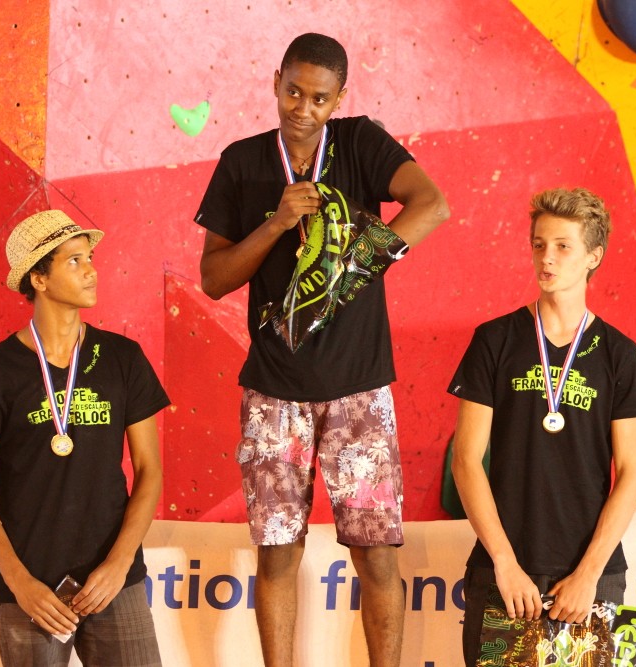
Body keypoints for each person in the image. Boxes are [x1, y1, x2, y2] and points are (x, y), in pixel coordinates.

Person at [194, 32, 449, 667]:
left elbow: (432, 204)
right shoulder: (242, 162)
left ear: (339, 99)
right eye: (293, 92)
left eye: (318, 98)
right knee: (278, 554)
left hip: (359, 388)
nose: (302, 109)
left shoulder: (361, 142)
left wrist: (356, 266)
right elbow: (214, 278)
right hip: (273, 392)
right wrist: (277, 223)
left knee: (376, 555)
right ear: (275, 82)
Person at [448, 187, 636, 666]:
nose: (547, 257)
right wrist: (504, 562)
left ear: (593, 256)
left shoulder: (620, 355)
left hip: (592, 578)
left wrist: (590, 573)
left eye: (563, 246)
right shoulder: (494, 340)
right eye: (539, 244)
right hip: (505, 573)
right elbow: (466, 460)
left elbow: (631, 473)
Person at [0, 209, 169, 666]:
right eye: (73, 260)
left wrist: (118, 565)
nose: (91, 270)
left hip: (114, 583)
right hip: (33, 592)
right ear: (39, 279)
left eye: (90, 258)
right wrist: (20, 582)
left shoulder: (123, 358)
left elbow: (149, 470)